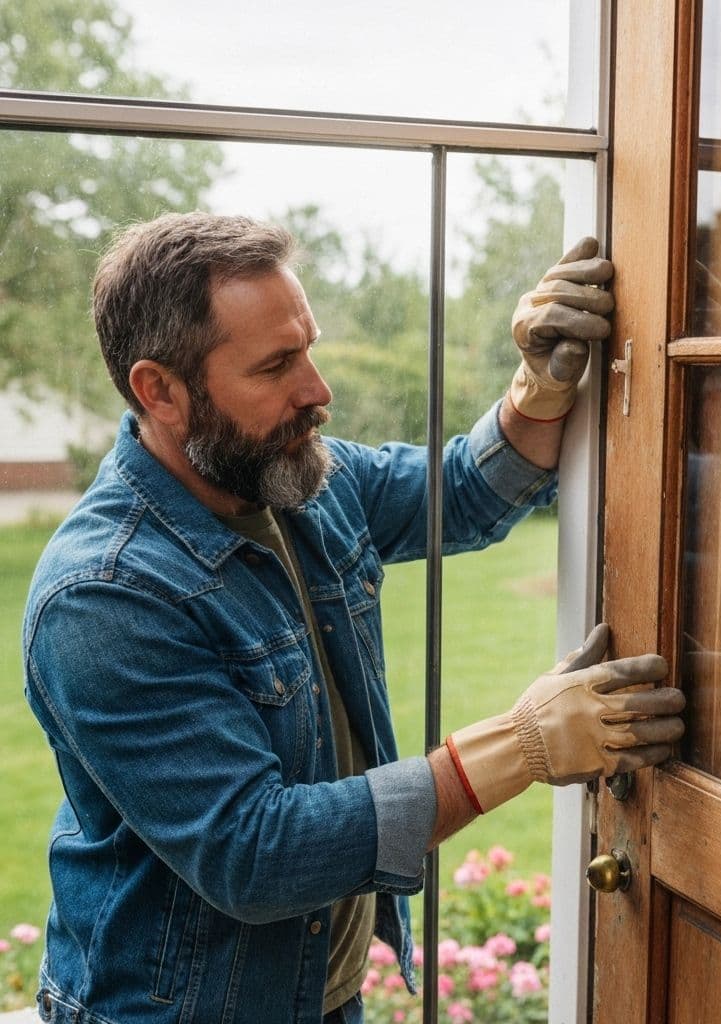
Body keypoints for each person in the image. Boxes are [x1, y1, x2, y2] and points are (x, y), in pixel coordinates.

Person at [22, 213, 685, 1024]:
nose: (318, 390)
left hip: (318, 997)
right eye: (276, 367)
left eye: (307, 348)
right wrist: (519, 746)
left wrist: (537, 390)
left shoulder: (297, 480)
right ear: (159, 390)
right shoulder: (104, 594)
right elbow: (254, 853)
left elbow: (464, 493)